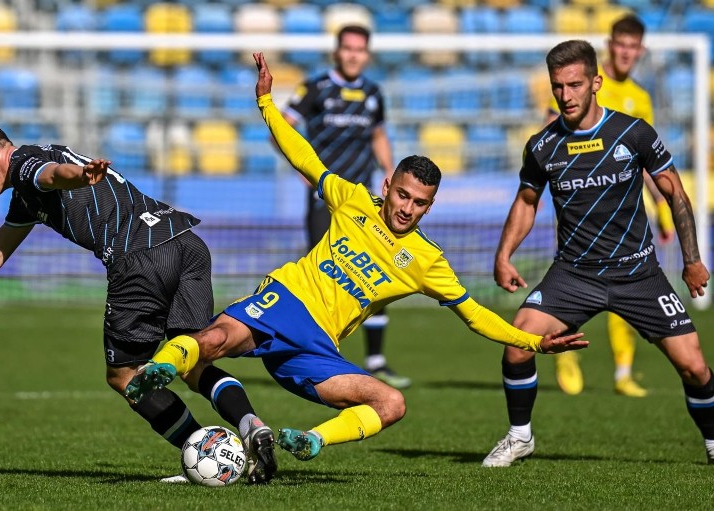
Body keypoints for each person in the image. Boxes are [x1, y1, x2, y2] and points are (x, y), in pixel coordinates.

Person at [124, 52, 588, 463]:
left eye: (419, 203)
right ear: (387, 186)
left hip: (318, 347)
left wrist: (534, 343)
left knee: (391, 404)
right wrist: (266, 104)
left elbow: (473, 315)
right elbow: (305, 159)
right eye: (402, 195)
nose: (407, 208)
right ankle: (160, 371)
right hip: (286, 301)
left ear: (430, 206)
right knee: (213, 340)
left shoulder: (426, 260)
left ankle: (307, 441)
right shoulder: (354, 200)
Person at [0, 115, 277, 484]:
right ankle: (250, 425)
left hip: (140, 256)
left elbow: (51, 175)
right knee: (191, 359)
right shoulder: (26, 195)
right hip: (186, 243)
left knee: (125, 376)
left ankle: (202, 451)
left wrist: (79, 177)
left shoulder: (27, 165)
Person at [483, 40, 714, 468]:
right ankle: (520, 437)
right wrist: (503, 255)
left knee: (695, 368)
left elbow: (675, 194)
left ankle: (713, 440)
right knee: (518, 342)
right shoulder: (542, 146)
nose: (566, 96)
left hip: (639, 275)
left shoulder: (633, 132)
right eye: (557, 87)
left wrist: (692, 259)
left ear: (595, 83)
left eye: (574, 85)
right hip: (574, 275)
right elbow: (527, 201)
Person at [547, 14, 674, 398]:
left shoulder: (642, 98)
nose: (625, 52)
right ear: (610, 45)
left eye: (633, 46)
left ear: (640, 50)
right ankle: (565, 353)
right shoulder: (582, 85)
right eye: (620, 44)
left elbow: (647, 161)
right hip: (583, 209)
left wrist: (664, 210)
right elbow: (552, 133)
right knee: (573, 287)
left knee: (630, 289)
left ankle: (623, 371)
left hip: (628, 213)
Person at [281, 25, 407, 389]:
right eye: (347, 49)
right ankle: (311, 354)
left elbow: (378, 134)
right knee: (323, 273)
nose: (353, 55)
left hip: (363, 201)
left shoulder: (372, 93)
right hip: (325, 195)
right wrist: (301, 167)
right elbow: (284, 126)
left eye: (360, 50)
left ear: (367, 55)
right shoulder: (316, 88)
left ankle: (376, 359)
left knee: (374, 273)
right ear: (337, 52)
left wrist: (390, 171)